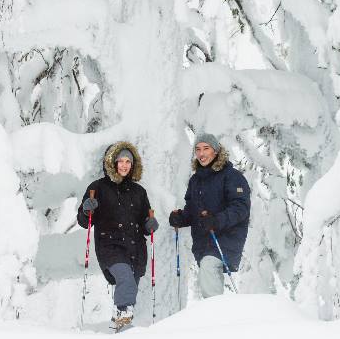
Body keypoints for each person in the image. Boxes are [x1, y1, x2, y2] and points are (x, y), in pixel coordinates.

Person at [77, 141, 158, 328]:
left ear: (133, 164)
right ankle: (121, 317)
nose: (124, 165)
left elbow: (145, 223)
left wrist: (150, 224)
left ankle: (122, 331)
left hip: (136, 249)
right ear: (112, 162)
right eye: (120, 161)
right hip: (110, 246)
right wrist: (86, 210)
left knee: (130, 288)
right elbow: (84, 221)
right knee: (126, 280)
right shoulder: (98, 188)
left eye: (128, 161)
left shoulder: (139, 192)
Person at [169, 133, 251, 298]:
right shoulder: (195, 180)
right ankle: (217, 317)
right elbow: (192, 211)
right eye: (198, 149)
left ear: (216, 151)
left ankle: (215, 318)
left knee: (208, 266)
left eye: (206, 148)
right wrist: (181, 218)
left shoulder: (232, 176)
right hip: (204, 242)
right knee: (207, 272)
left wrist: (216, 220)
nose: (201, 153)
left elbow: (240, 208)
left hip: (226, 238)